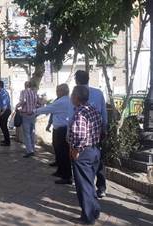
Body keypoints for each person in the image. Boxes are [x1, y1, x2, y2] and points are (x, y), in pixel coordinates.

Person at [69, 85, 102, 225]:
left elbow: (80, 135)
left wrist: (76, 150)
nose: (70, 97)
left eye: (72, 95)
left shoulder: (80, 112)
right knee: (89, 184)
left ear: (76, 97)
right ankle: (94, 211)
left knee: (84, 186)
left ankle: (88, 217)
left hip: (83, 153)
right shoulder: (92, 109)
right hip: (94, 150)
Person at [75, 70, 108, 198]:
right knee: (98, 159)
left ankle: (87, 189)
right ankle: (101, 187)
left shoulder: (76, 93)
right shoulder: (98, 93)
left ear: (77, 80)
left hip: (82, 132)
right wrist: (104, 129)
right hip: (96, 131)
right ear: (88, 79)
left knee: (82, 161)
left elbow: (72, 114)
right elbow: (104, 113)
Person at [36, 84, 74, 184]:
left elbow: (48, 109)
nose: (56, 92)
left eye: (58, 90)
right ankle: (60, 171)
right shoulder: (66, 100)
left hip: (62, 130)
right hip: (59, 129)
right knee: (58, 151)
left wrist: (33, 111)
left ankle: (66, 176)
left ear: (62, 91)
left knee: (63, 153)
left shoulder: (62, 101)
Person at [16, 81, 38, 158]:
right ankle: (33, 148)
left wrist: (17, 106)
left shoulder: (23, 92)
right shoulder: (34, 92)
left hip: (25, 114)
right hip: (33, 114)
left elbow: (23, 101)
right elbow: (37, 103)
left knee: (27, 133)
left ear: (25, 85)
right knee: (32, 132)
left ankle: (29, 151)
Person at [0, 81, 11, 146]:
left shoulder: (3, 92)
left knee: (3, 125)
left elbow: (5, 103)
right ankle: (6, 140)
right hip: (4, 110)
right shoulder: (2, 92)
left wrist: (2, 112)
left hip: (5, 110)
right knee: (2, 125)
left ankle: (7, 142)